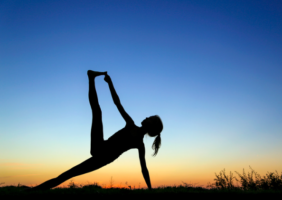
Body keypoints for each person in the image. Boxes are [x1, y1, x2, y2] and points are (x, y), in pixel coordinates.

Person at [28, 70, 163, 191]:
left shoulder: (139, 144)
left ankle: (32, 191)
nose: (146, 117)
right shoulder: (130, 124)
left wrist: (150, 189)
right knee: (97, 111)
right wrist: (110, 83)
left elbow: (144, 168)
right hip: (100, 145)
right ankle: (91, 78)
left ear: (152, 127)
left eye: (150, 118)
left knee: (67, 175)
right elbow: (117, 102)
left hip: (101, 159)